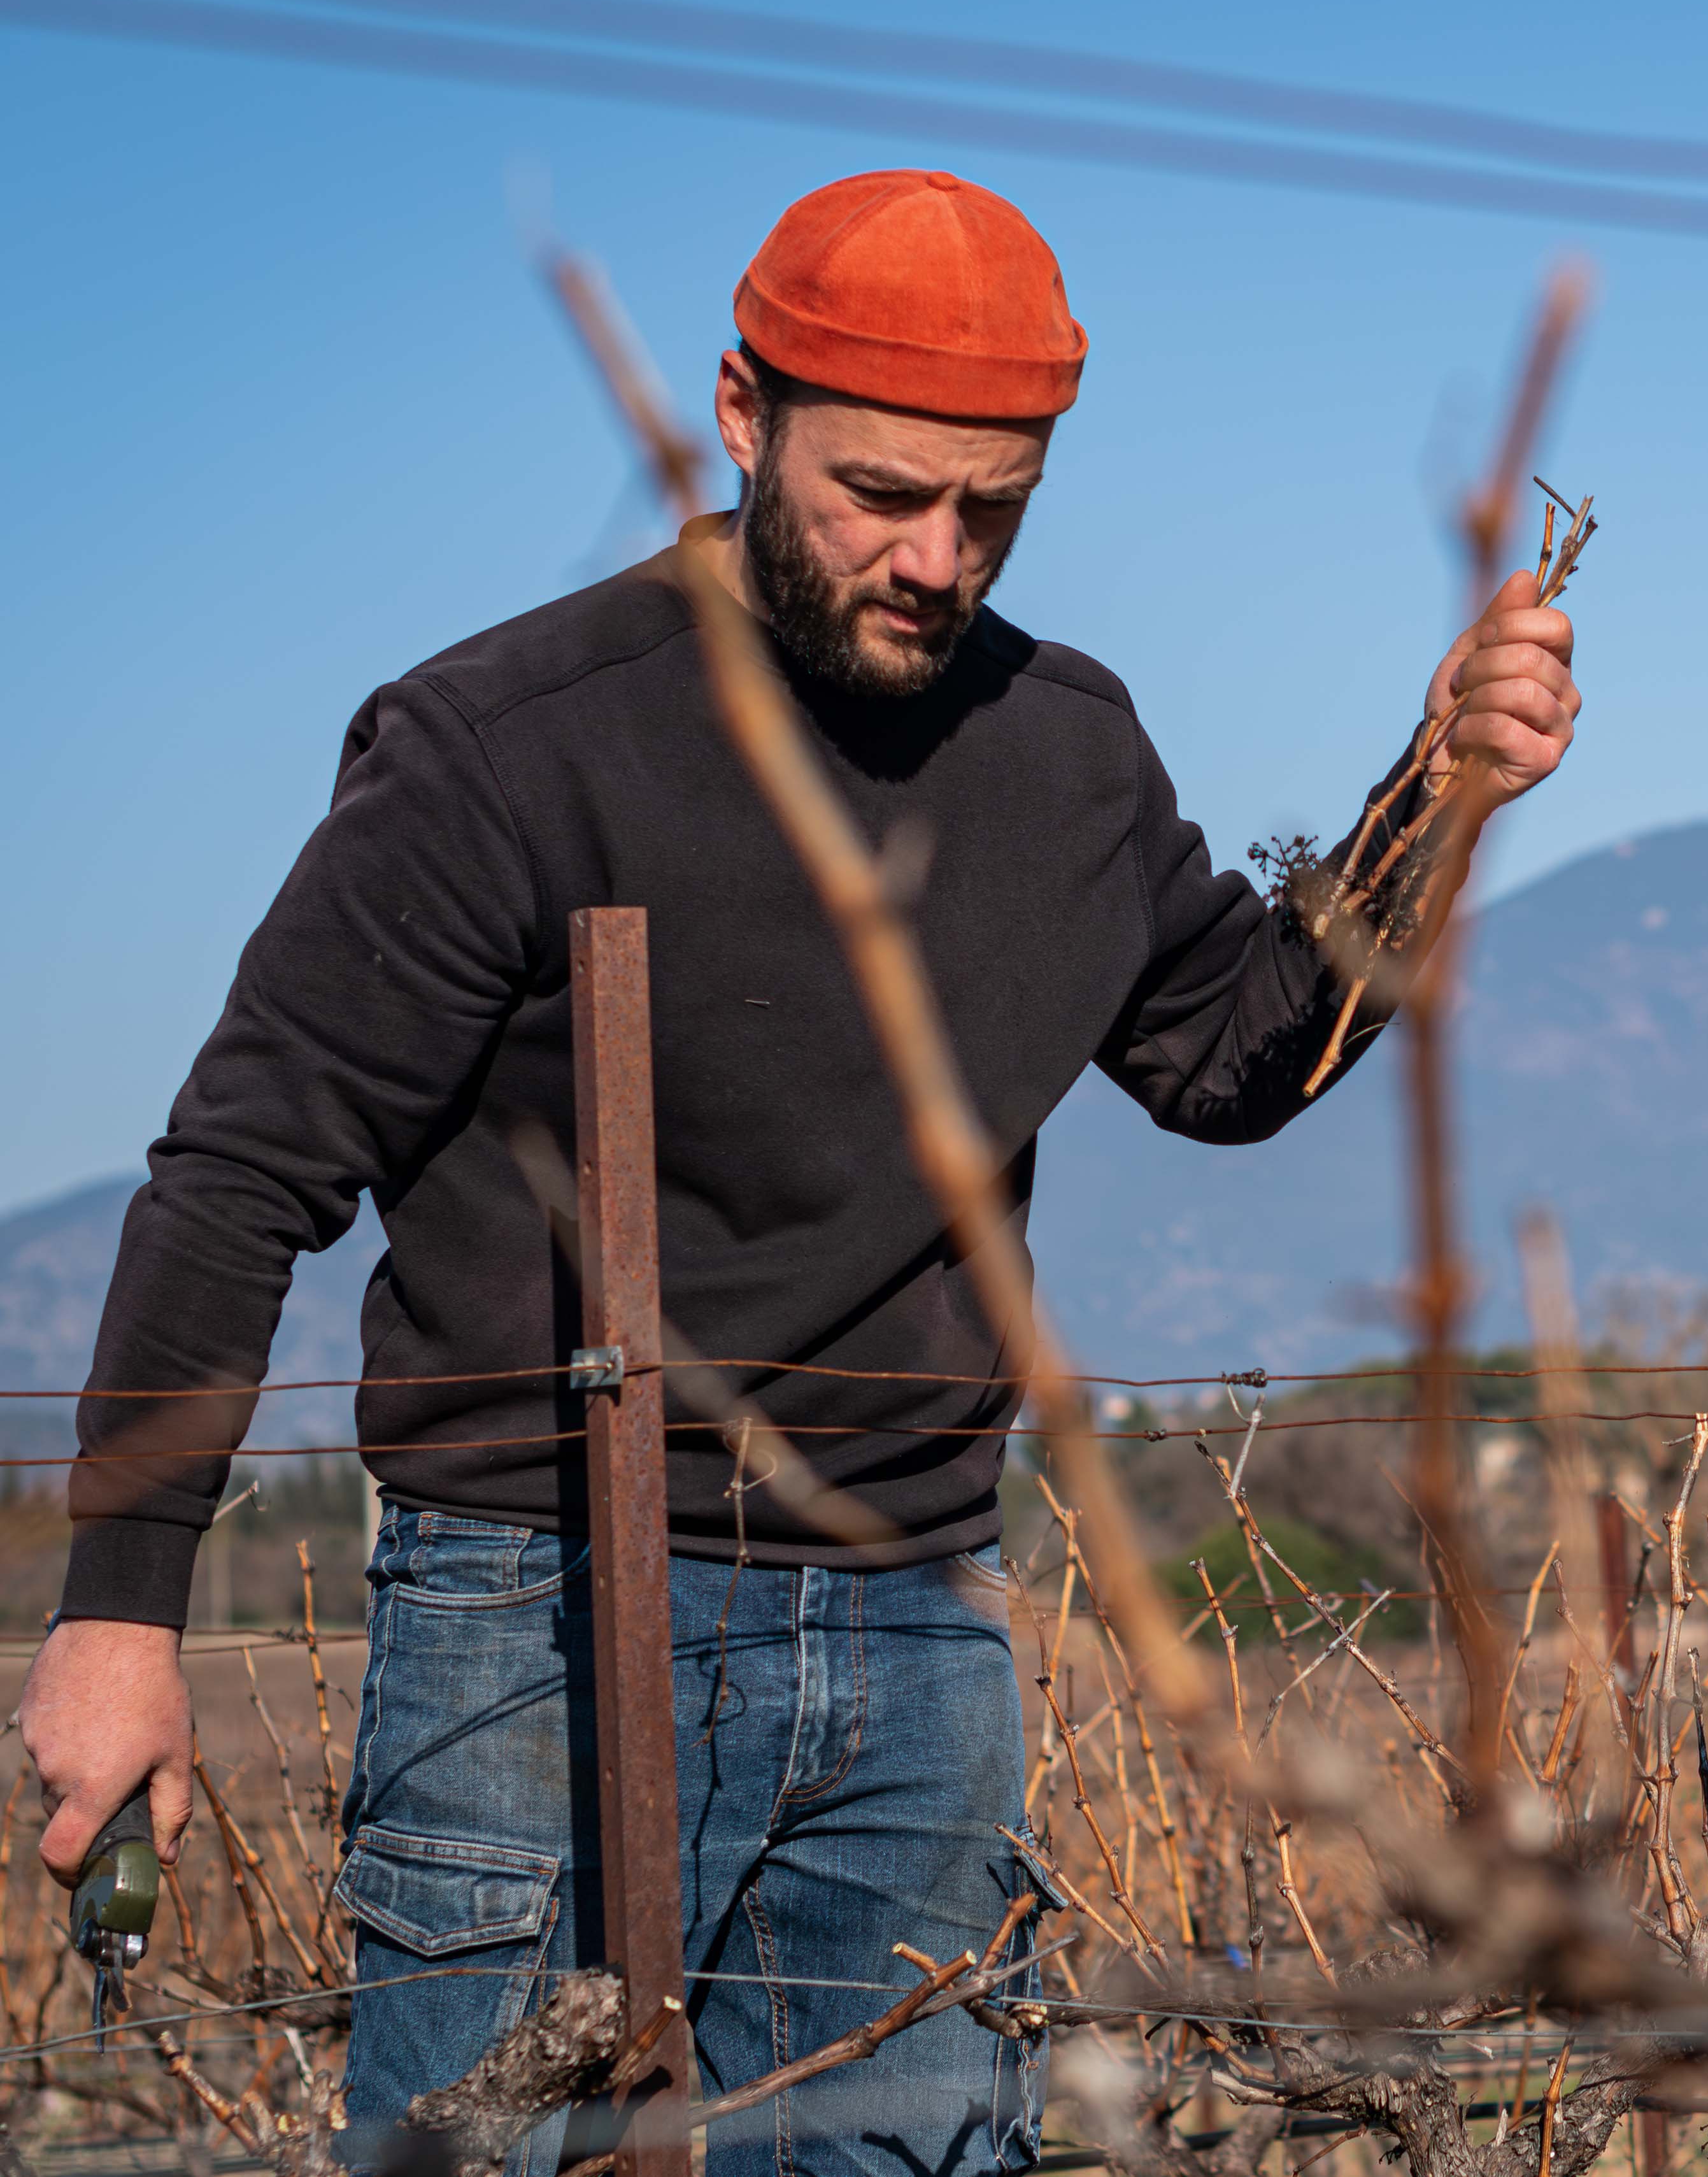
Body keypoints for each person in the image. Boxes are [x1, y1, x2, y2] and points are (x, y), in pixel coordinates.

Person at [15, 169, 1581, 2175]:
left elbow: (1231, 1054)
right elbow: (244, 1167)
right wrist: (121, 1612)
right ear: (744, 411)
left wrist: (1430, 801)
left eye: (990, 509)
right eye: (881, 494)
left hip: (917, 1618)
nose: (936, 558)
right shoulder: (508, 744)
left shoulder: (1069, 755)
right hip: (535, 1604)